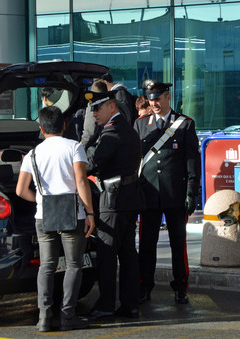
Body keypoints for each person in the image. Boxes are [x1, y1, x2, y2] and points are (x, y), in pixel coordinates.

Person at [15, 105, 95, 332]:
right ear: (64, 125)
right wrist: (89, 213)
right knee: (73, 265)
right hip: (73, 213)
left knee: (47, 266)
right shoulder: (74, 147)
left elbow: (21, 190)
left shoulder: (32, 154)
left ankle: (44, 318)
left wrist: (40, 200)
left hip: (43, 215)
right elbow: (81, 181)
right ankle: (68, 316)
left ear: (41, 128)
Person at [134, 79, 200, 305]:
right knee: (146, 244)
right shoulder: (141, 125)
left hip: (175, 194)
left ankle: (181, 286)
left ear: (168, 97)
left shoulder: (184, 124)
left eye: (158, 99)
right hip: (149, 194)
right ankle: (145, 286)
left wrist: (192, 192)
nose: (154, 103)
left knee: (177, 244)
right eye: (151, 100)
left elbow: (192, 160)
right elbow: (136, 161)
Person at [84, 90, 144, 320]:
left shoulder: (112, 131)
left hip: (114, 200)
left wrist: (82, 153)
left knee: (108, 253)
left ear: (112, 106)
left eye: (98, 108)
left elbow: (92, 164)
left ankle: (106, 305)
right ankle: (130, 305)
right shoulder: (121, 127)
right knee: (128, 254)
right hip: (127, 198)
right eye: (92, 109)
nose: (94, 113)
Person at [80, 80, 108, 151]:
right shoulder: (114, 103)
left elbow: (90, 131)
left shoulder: (93, 105)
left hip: (99, 148)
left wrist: (81, 148)